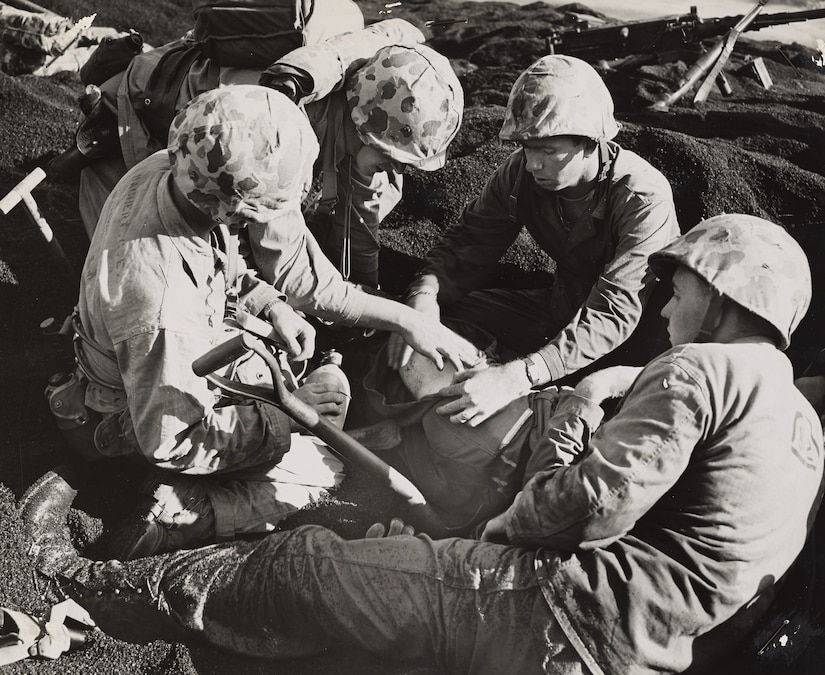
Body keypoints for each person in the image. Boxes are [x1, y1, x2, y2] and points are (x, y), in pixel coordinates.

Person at [24, 214, 824, 674]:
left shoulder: (702, 368)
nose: (664, 311)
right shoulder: (799, 424)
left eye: (677, 290)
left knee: (306, 563)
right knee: (377, 593)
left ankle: (82, 578)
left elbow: (592, 505)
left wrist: (488, 534)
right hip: (635, 650)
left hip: (560, 613)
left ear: (718, 302)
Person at [67, 84, 477, 561]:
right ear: (233, 208)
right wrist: (289, 415)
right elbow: (172, 439)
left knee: (309, 386)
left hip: (166, 357)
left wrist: (269, 303)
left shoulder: (174, 169)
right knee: (325, 464)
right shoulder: (159, 303)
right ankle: (184, 514)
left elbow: (212, 257)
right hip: (131, 415)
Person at [386, 54, 679, 429]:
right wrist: (421, 303)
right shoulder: (521, 173)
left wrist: (517, 377)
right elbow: (471, 240)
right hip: (562, 309)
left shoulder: (641, 197)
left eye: (547, 150)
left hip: (636, 340)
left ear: (590, 142)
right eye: (526, 147)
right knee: (449, 316)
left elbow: (615, 309)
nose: (533, 163)